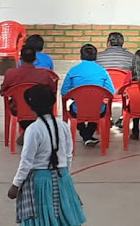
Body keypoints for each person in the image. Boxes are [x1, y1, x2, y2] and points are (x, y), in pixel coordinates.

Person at [7, 85, 86, 226]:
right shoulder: (63, 125)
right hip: (62, 176)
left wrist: (16, 184)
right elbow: (68, 155)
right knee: (64, 216)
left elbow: (27, 161)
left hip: (41, 180)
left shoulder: (33, 129)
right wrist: (65, 176)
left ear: (32, 107)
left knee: (42, 219)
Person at [1, 46, 59, 144]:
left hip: (18, 109)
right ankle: (34, 134)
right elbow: (53, 90)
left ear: (20, 58)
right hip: (40, 109)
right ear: (35, 59)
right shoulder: (44, 74)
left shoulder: (11, 74)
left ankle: (27, 133)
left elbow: (3, 92)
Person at [61, 44, 115, 146]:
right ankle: (88, 136)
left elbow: (64, 92)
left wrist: (76, 95)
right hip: (98, 109)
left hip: (78, 109)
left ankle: (85, 135)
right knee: (97, 109)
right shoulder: (102, 71)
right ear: (95, 56)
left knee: (76, 109)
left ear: (81, 56)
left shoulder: (73, 70)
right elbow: (111, 92)